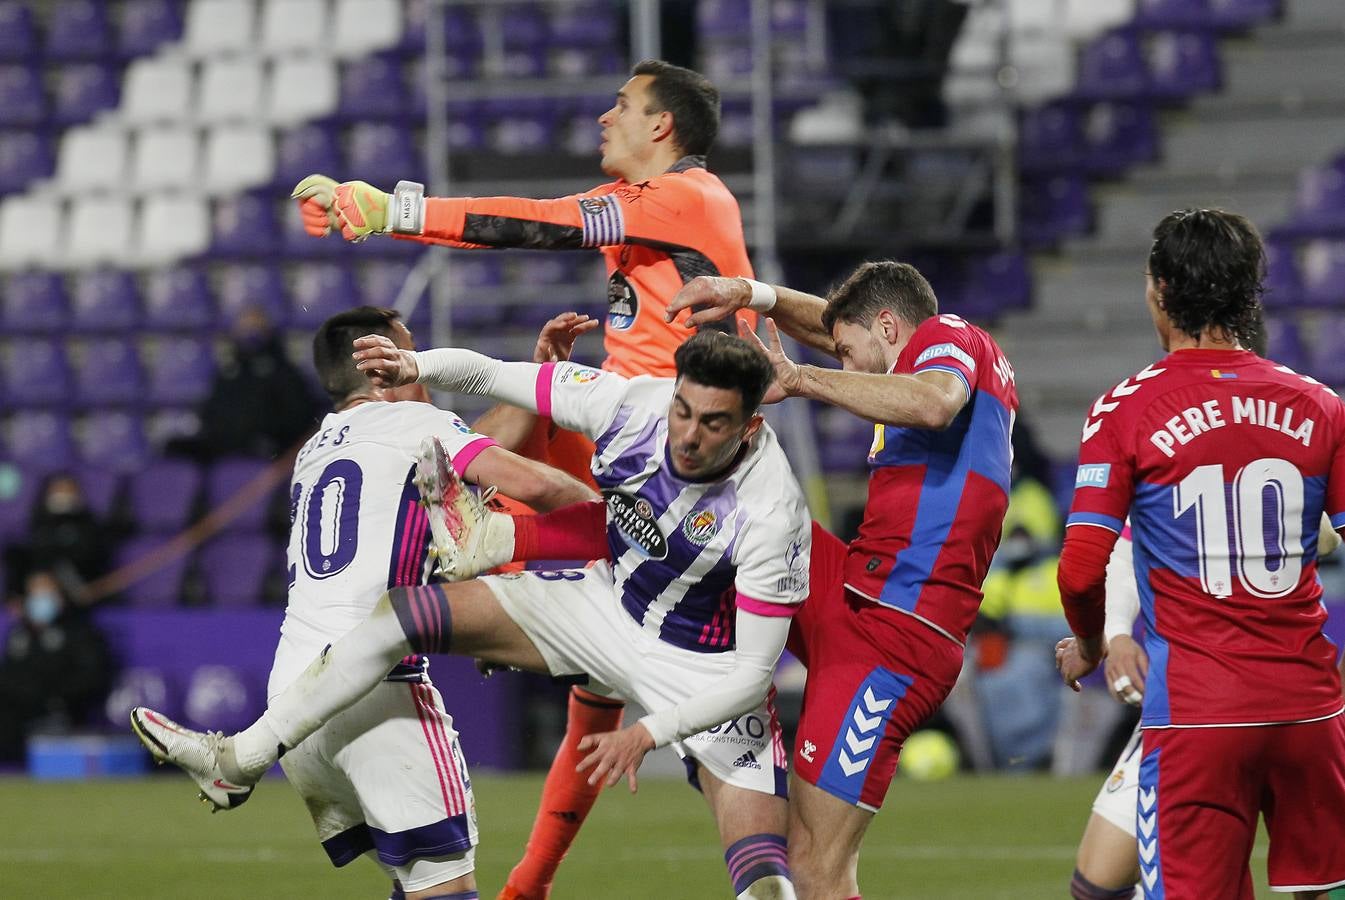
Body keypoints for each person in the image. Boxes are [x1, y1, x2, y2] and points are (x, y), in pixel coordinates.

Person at [296, 57, 760, 900]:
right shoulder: (658, 224)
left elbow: (535, 223)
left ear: (661, 127)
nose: (601, 117)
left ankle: (506, 541)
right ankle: (529, 884)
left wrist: (384, 208)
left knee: (720, 727)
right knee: (613, 682)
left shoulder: (686, 196)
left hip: (683, 463)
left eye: (621, 105)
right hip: (651, 452)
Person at [133, 330, 812, 900]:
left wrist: (649, 733)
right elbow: (491, 373)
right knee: (405, 612)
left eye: (714, 423)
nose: (689, 435)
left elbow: (753, 676)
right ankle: (244, 755)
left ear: (749, 425)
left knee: (763, 874)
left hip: (699, 662)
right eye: (683, 412)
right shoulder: (628, 405)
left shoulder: (772, 511)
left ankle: (493, 541)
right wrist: (418, 365)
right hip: (602, 603)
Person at [139, 306, 596, 900]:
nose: (420, 363)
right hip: (375, 690)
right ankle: (233, 762)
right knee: (445, 891)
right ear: (381, 365)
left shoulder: (319, 447)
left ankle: (239, 758)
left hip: (297, 701)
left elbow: (467, 442)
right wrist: (619, 521)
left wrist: (535, 376)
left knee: (413, 884)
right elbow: (534, 484)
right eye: (409, 350)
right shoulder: (416, 424)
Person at [664, 260, 1018, 898]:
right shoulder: (906, 349)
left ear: (890, 325)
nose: (844, 365)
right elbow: (837, 333)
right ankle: (726, 720)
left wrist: (801, 379)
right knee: (723, 516)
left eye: (851, 354)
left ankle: (727, 725)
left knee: (817, 871)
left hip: (896, 638)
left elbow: (934, 402)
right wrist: (755, 295)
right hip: (852, 585)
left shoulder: (953, 338)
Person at [1055, 208, 1345, 899]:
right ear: (1251, 291)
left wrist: (1094, 641)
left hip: (1199, 715)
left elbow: (1078, 567)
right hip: (1309, 709)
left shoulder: (1124, 409)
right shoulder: (1319, 406)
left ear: (1157, 289)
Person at [0, 570, 114, 762]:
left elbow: (91, 676)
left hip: (58, 709)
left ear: (60, 596)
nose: (39, 599)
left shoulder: (80, 632)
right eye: (34, 593)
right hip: (15, 709)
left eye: (46, 592)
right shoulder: (20, 633)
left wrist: (55, 697)